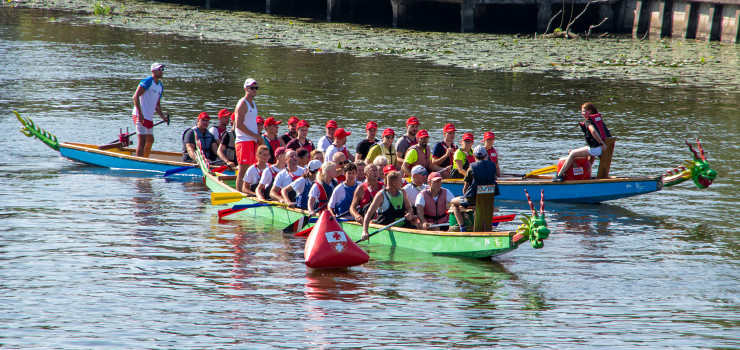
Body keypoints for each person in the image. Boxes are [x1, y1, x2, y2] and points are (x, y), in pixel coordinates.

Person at [553, 102, 612, 182]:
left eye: (584, 111)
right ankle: (586, 174)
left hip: (598, 148)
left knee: (572, 153)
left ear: (590, 111)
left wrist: (601, 143)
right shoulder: (598, 119)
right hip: (604, 149)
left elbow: (593, 131)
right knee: (586, 153)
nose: (582, 113)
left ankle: (559, 175)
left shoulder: (588, 121)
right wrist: (603, 144)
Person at [450, 146, 499, 232]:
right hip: (488, 199)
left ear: (474, 156)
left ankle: (462, 227)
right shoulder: (492, 165)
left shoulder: (472, 167)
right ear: (485, 156)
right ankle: (483, 227)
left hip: (473, 200)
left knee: (453, 202)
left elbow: (465, 188)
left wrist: (465, 197)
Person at [360, 171, 416, 240]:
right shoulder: (381, 195)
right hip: (386, 229)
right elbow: (368, 214)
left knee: (415, 228)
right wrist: (365, 231)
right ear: (394, 183)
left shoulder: (402, 192)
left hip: (402, 227)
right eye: (400, 181)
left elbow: (409, 208)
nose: (402, 183)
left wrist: (409, 213)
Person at [234, 78, 264, 196]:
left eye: (256, 88)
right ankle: (238, 194)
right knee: (243, 170)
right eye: (252, 88)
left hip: (252, 140)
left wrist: (257, 137)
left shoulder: (253, 104)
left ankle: (250, 191)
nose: (254, 90)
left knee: (253, 168)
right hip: (243, 141)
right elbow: (239, 124)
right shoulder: (242, 103)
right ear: (246, 89)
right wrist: (256, 135)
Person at [132, 62, 167, 158]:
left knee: (150, 140)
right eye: (159, 69)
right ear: (153, 71)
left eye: (162, 70)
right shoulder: (147, 81)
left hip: (149, 116)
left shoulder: (160, 86)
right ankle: (139, 162)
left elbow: (157, 105)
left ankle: (145, 159)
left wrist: (163, 117)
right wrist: (140, 114)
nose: (161, 72)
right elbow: (135, 97)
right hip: (140, 115)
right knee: (142, 141)